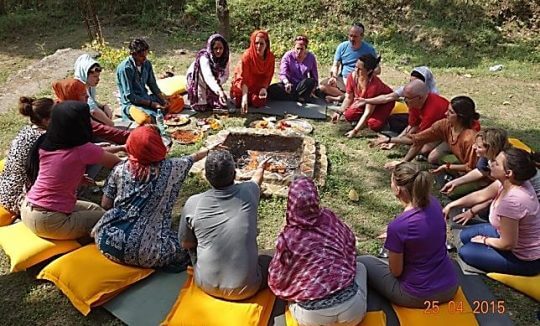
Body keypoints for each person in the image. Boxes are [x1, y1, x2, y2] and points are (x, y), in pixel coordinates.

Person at [92, 125, 214, 270]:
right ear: (158, 147)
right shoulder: (171, 168)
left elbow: (105, 204)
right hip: (144, 253)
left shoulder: (120, 169)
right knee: (187, 245)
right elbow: (191, 158)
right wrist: (209, 151)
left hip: (106, 241)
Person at [268, 177, 367, 326]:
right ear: (315, 199)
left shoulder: (288, 238)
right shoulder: (329, 218)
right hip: (353, 312)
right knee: (360, 267)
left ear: (290, 203)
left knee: (290, 298)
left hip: (312, 319)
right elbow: (349, 243)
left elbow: (277, 278)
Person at [358, 162, 458, 308]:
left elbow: (396, 272)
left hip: (416, 296)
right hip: (449, 287)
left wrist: (396, 240)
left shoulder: (399, 226)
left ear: (398, 189)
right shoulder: (435, 204)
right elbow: (428, 233)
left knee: (363, 261)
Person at [20, 101, 121, 240]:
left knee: (95, 209)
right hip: (50, 220)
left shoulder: (47, 144)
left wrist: (76, 177)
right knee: (109, 219)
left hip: (27, 209)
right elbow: (119, 165)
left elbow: (57, 169)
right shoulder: (82, 149)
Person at [178, 150, 270, 300]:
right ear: (234, 174)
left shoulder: (193, 203)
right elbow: (256, 181)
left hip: (204, 283)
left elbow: (186, 243)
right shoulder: (249, 192)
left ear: (207, 177)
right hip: (246, 289)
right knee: (268, 260)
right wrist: (261, 168)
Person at [447, 148, 540, 275]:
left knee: (466, 251)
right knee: (464, 236)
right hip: (504, 234)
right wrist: (451, 205)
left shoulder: (512, 202)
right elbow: (480, 196)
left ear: (508, 173)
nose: (490, 163)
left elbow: (508, 244)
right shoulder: (509, 182)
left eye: (496, 163)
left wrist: (485, 240)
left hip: (523, 258)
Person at [379, 96, 480, 172]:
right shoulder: (444, 124)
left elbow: (472, 167)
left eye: (450, 112)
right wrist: (389, 139)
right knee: (434, 158)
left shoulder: (470, 137)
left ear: (461, 117)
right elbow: (418, 138)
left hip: (478, 171)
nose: (445, 114)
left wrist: (447, 167)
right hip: (464, 163)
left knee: (453, 191)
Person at [53, 55, 130, 145]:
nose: (86, 97)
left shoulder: (69, 106)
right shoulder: (72, 116)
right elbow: (95, 121)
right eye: (83, 95)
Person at [0, 97, 52, 226]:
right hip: (18, 197)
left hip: (5, 189)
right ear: (46, 120)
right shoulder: (43, 140)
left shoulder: (27, 130)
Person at [330, 54, 395, 137]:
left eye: (360, 69)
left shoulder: (374, 86)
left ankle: (384, 120)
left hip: (383, 103)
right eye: (355, 67)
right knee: (349, 115)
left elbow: (368, 112)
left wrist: (355, 130)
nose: (356, 70)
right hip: (363, 102)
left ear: (369, 71)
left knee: (373, 125)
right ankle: (361, 121)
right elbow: (348, 98)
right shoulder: (352, 77)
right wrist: (339, 112)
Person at [440, 128, 510, 201]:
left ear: (492, 148)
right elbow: (480, 171)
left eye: (479, 147)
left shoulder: (505, 164)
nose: (473, 147)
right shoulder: (487, 155)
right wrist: (456, 182)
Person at [117, 38, 171, 125]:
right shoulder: (125, 69)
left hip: (145, 97)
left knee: (174, 101)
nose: (145, 58)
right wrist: (151, 104)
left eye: (146, 55)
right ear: (133, 54)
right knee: (148, 118)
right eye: (142, 56)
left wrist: (163, 100)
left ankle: (158, 110)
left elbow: (152, 84)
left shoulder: (147, 64)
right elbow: (130, 96)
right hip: (132, 104)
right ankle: (151, 114)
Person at [319, 23, 378, 103]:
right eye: (350, 35)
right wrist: (334, 76)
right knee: (322, 87)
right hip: (343, 79)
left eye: (355, 37)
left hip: (359, 81)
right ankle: (348, 96)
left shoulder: (369, 50)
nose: (352, 39)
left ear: (362, 36)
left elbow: (377, 69)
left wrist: (365, 73)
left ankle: (345, 97)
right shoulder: (342, 46)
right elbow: (335, 65)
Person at [53, 54, 114, 126]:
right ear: (84, 74)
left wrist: (104, 106)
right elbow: (93, 111)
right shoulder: (78, 87)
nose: (98, 79)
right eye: (95, 76)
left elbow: (92, 102)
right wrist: (111, 125)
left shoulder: (89, 86)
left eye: (98, 76)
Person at [230, 30, 275, 114]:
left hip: (258, 85)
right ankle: (242, 97)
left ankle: (251, 98)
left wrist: (264, 88)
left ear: (266, 44)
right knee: (239, 103)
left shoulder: (270, 57)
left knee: (258, 101)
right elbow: (244, 78)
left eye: (262, 44)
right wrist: (244, 97)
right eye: (256, 43)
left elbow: (268, 76)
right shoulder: (247, 56)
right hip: (244, 84)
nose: (258, 46)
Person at [267, 35, 319, 102]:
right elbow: (283, 73)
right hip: (288, 85)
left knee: (310, 81)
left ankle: (295, 97)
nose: (299, 51)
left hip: (302, 86)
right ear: (294, 48)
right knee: (272, 89)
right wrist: (286, 83)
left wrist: (313, 88)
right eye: (297, 49)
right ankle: (298, 97)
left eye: (301, 49)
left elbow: (314, 77)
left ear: (305, 49)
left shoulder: (311, 58)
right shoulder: (288, 56)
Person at [186, 34, 230, 112]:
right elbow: (208, 76)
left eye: (221, 48)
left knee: (220, 104)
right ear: (211, 48)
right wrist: (219, 90)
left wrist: (219, 82)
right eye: (215, 48)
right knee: (201, 107)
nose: (218, 51)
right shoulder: (204, 58)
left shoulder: (225, 57)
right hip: (198, 79)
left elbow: (226, 75)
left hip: (213, 82)